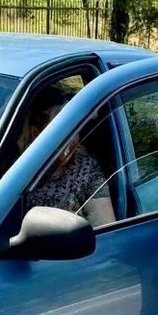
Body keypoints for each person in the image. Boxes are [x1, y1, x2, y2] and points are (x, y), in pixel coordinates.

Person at [22, 87, 117, 227]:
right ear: (36, 133)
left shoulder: (86, 169)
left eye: (75, 128)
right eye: (63, 131)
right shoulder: (14, 169)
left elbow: (106, 227)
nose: (73, 138)